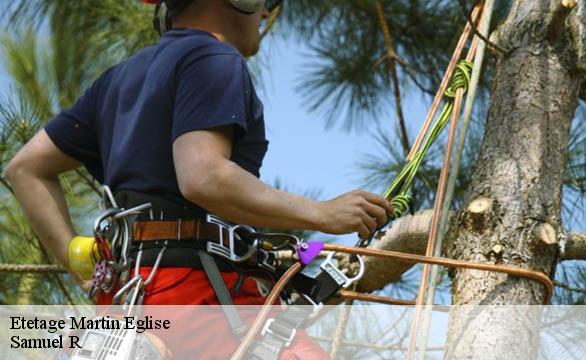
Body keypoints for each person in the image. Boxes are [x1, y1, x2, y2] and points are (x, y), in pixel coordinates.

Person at [5, 0, 392, 357]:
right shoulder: (214, 56)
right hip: (196, 300)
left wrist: (84, 268)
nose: (267, 13)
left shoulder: (119, 78)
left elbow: (25, 168)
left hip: (126, 301)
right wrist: (324, 214)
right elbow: (203, 177)